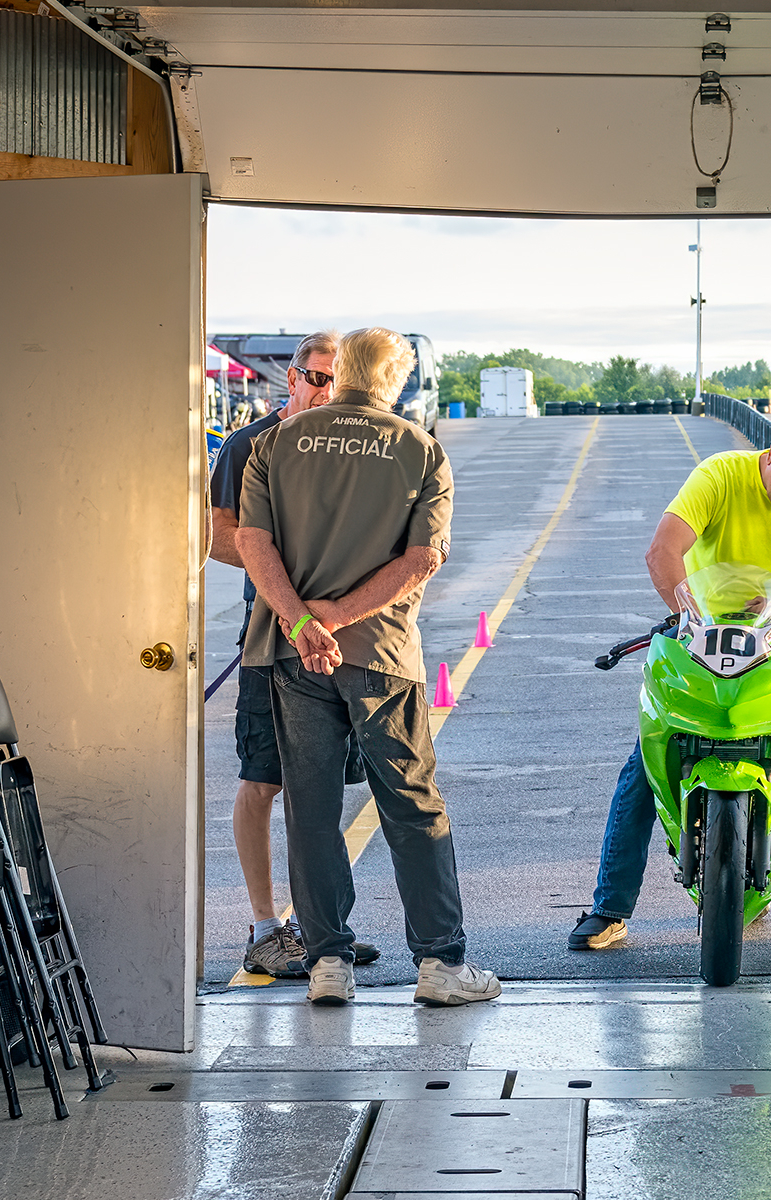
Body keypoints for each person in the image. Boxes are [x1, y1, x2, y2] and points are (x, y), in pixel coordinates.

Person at [236, 326, 500, 1008]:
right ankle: (440, 965)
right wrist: (341, 618)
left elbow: (250, 541)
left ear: (340, 371)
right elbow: (422, 560)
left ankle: (328, 963)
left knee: (312, 810)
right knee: (412, 806)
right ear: (395, 382)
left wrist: (302, 622)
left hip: (295, 656)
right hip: (381, 653)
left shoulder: (274, 443)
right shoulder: (419, 449)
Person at [568, 416, 771, 951]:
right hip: (699, 635)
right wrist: (685, 612)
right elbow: (663, 552)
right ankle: (610, 906)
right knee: (647, 760)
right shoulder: (719, 476)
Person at [209, 331, 378, 979]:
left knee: (323, 787)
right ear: (291, 378)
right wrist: (284, 572)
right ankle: (263, 927)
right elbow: (219, 539)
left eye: (336, 381)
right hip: (271, 638)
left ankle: (321, 927)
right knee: (264, 780)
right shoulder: (249, 444)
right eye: (313, 377)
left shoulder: (361, 445)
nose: (323, 391)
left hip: (343, 638)